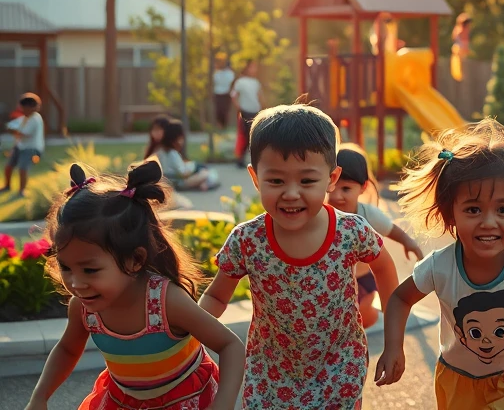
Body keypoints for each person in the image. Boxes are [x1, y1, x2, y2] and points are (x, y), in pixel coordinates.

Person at [374, 119, 504, 409]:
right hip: (457, 380)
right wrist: (393, 347)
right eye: (473, 209)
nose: (489, 222)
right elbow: (400, 298)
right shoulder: (440, 266)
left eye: (503, 209)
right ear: (451, 215)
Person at [200, 104, 399, 409]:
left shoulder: (349, 231)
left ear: (331, 178)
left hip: (339, 370)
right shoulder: (248, 240)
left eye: (307, 181)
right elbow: (216, 298)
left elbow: (385, 270)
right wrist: (187, 332)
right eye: (276, 181)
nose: (291, 193)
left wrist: (393, 341)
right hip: (270, 377)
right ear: (255, 178)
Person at [25, 161, 244, 410]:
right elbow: (66, 349)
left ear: (135, 260)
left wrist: (223, 404)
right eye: (65, 267)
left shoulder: (165, 302)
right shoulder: (83, 309)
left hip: (185, 401)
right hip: (122, 401)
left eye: (90, 270)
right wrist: (39, 397)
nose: (76, 283)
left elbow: (231, 346)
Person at [328, 145, 424, 328]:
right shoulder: (323, 214)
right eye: (331, 188)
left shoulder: (367, 214)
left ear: (363, 187)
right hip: (334, 281)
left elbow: (391, 229)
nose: (337, 196)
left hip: (362, 278)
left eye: (346, 189)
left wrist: (409, 243)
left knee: (361, 312)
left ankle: (371, 317)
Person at [154, 121, 217, 191]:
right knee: (207, 173)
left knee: (204, 170)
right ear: (175, 139)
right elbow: (183, 173)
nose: (182, 141)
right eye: (181, 138)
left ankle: (205, 182)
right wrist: (191, 169)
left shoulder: (161, 151)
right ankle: (206, 184)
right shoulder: (173, 154)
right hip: (180, 183)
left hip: (172, 180)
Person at [3, 92, 44, 198]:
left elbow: (24, 133)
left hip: (31, 148)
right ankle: (7, 186)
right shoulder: (24, 118)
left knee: (23, 168)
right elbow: (11, 125)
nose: (22, 109)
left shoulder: (35, 118)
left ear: (31, 107)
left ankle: (21, 191)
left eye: (24, 107)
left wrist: (12, 130)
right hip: (20, 146)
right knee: (8, 166)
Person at [231, 60, 264, 168]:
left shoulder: (256, 82)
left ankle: (255, 160)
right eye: (252, 67)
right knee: (245, 136)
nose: (254, 70)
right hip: (245, 112)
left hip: (256, 111)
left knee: (254, 136)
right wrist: (239, 107)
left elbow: (259, 96)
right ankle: (240, 159)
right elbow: (234, 95)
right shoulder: (240, 82)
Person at [212, 54, 235, 130]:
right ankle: (220, 126)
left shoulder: (229, 73)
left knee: (224, 111)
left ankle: (223, 126)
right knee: (220, 111)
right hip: (219, 93)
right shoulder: (218, 73)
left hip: (225, 93)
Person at [450, 13, 472, 82]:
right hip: (459, 51)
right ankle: (459, 77)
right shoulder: (459, 30)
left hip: (462, 51)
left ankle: (461, 77)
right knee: (459, 67)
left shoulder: (465, 30)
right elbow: (459, 41)